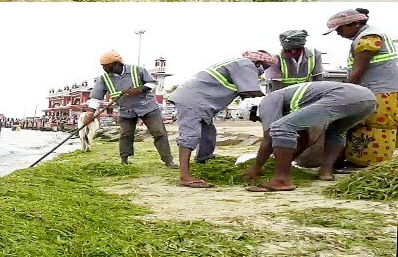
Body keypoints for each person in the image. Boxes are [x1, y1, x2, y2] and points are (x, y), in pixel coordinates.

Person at [244, 82, 376, 191]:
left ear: (254, 109)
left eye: (256, 118)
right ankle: (325, 172)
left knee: (280, 127)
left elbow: (269, 136)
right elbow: (306, 138)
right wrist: (288, 159)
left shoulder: (267, 101)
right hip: (368, 98)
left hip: (343, 96)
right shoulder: (289, 100)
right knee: (336, 131)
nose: (261, 120)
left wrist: (256, 167)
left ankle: (281, 180)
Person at [169, 51, 274, 188]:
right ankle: (185, 176)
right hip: (192, 100)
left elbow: (247, 98)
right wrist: (273, 104)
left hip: (199, 100)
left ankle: (204, 160)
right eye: (264, 68)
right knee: (190, 136)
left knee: (208, 133)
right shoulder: (246, 65)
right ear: (258, 63)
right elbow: (253, 93)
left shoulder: (236, 65)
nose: (262, 72)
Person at [324, 8, 398, 166]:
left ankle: (367, 164)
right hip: (376, 90)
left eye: (339, 29)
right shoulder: (363, 37)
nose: (338, 33)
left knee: (376, 126)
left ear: (355, 24)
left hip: (381, 93)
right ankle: (357, 160)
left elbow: (357, 71)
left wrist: (345, 93)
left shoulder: (368, 38)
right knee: (361, 124)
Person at [83, 50, 177, 168]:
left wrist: (139, 89)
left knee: (159, 132)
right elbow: (96, 98)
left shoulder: (137, 70)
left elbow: (152, 83)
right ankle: (124, 161)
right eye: (103, 66)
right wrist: (90, 113)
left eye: (107, 66)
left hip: (147, 107)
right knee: (125, 135)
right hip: (126, 109)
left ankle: (168, 161)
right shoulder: (103, 78)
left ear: (117, 64)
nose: (104, 69)